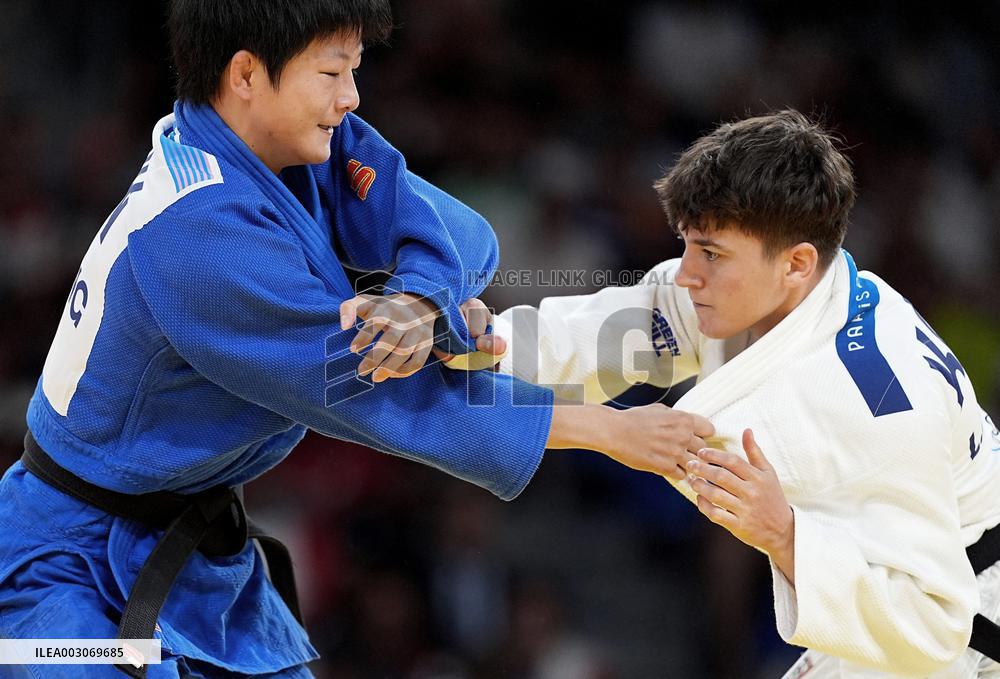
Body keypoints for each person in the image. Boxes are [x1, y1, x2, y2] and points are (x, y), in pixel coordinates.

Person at [0, 2, 714, 678]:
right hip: (64, 564)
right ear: (246, 74)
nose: (352, 97)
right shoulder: (196, 238)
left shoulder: (284, 143)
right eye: (332, 71)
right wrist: (604, 429)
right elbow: (376, 392)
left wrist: (418, 300)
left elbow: (463, 234)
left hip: (190, 551)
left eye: (356, 68)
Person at [462, 110, 1000, 677]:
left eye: (712, 254)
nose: (687, 273)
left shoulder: (875, 404)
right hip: (890, 596)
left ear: (796, 263)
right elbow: (604, 335)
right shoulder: (777, 293)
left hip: (965, 629)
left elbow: (935, 625)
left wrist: (784, 535)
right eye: (689, 245)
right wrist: (482, 340)